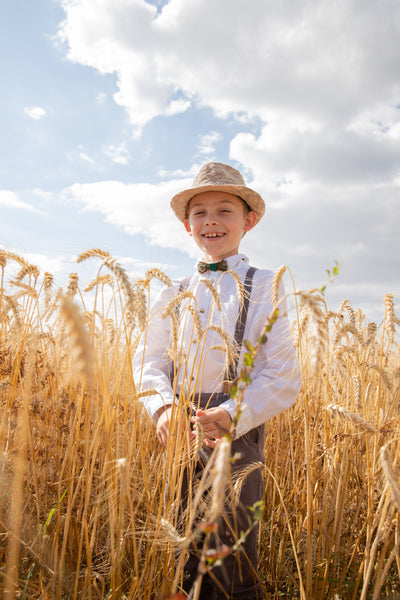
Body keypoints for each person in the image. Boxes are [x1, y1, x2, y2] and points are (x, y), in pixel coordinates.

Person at [132, 162, 302, 599]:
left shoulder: (267, 286)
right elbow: (149, 362)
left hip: (236, 432)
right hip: (176, 431)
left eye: (225, 210)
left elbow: (282, 375)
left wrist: (230, 414)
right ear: (187, 226)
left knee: (229, 546)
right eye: (200, 212)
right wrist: (164, 408)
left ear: (249, 221)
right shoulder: (171, 291)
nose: (211, 220)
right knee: (179, 540)